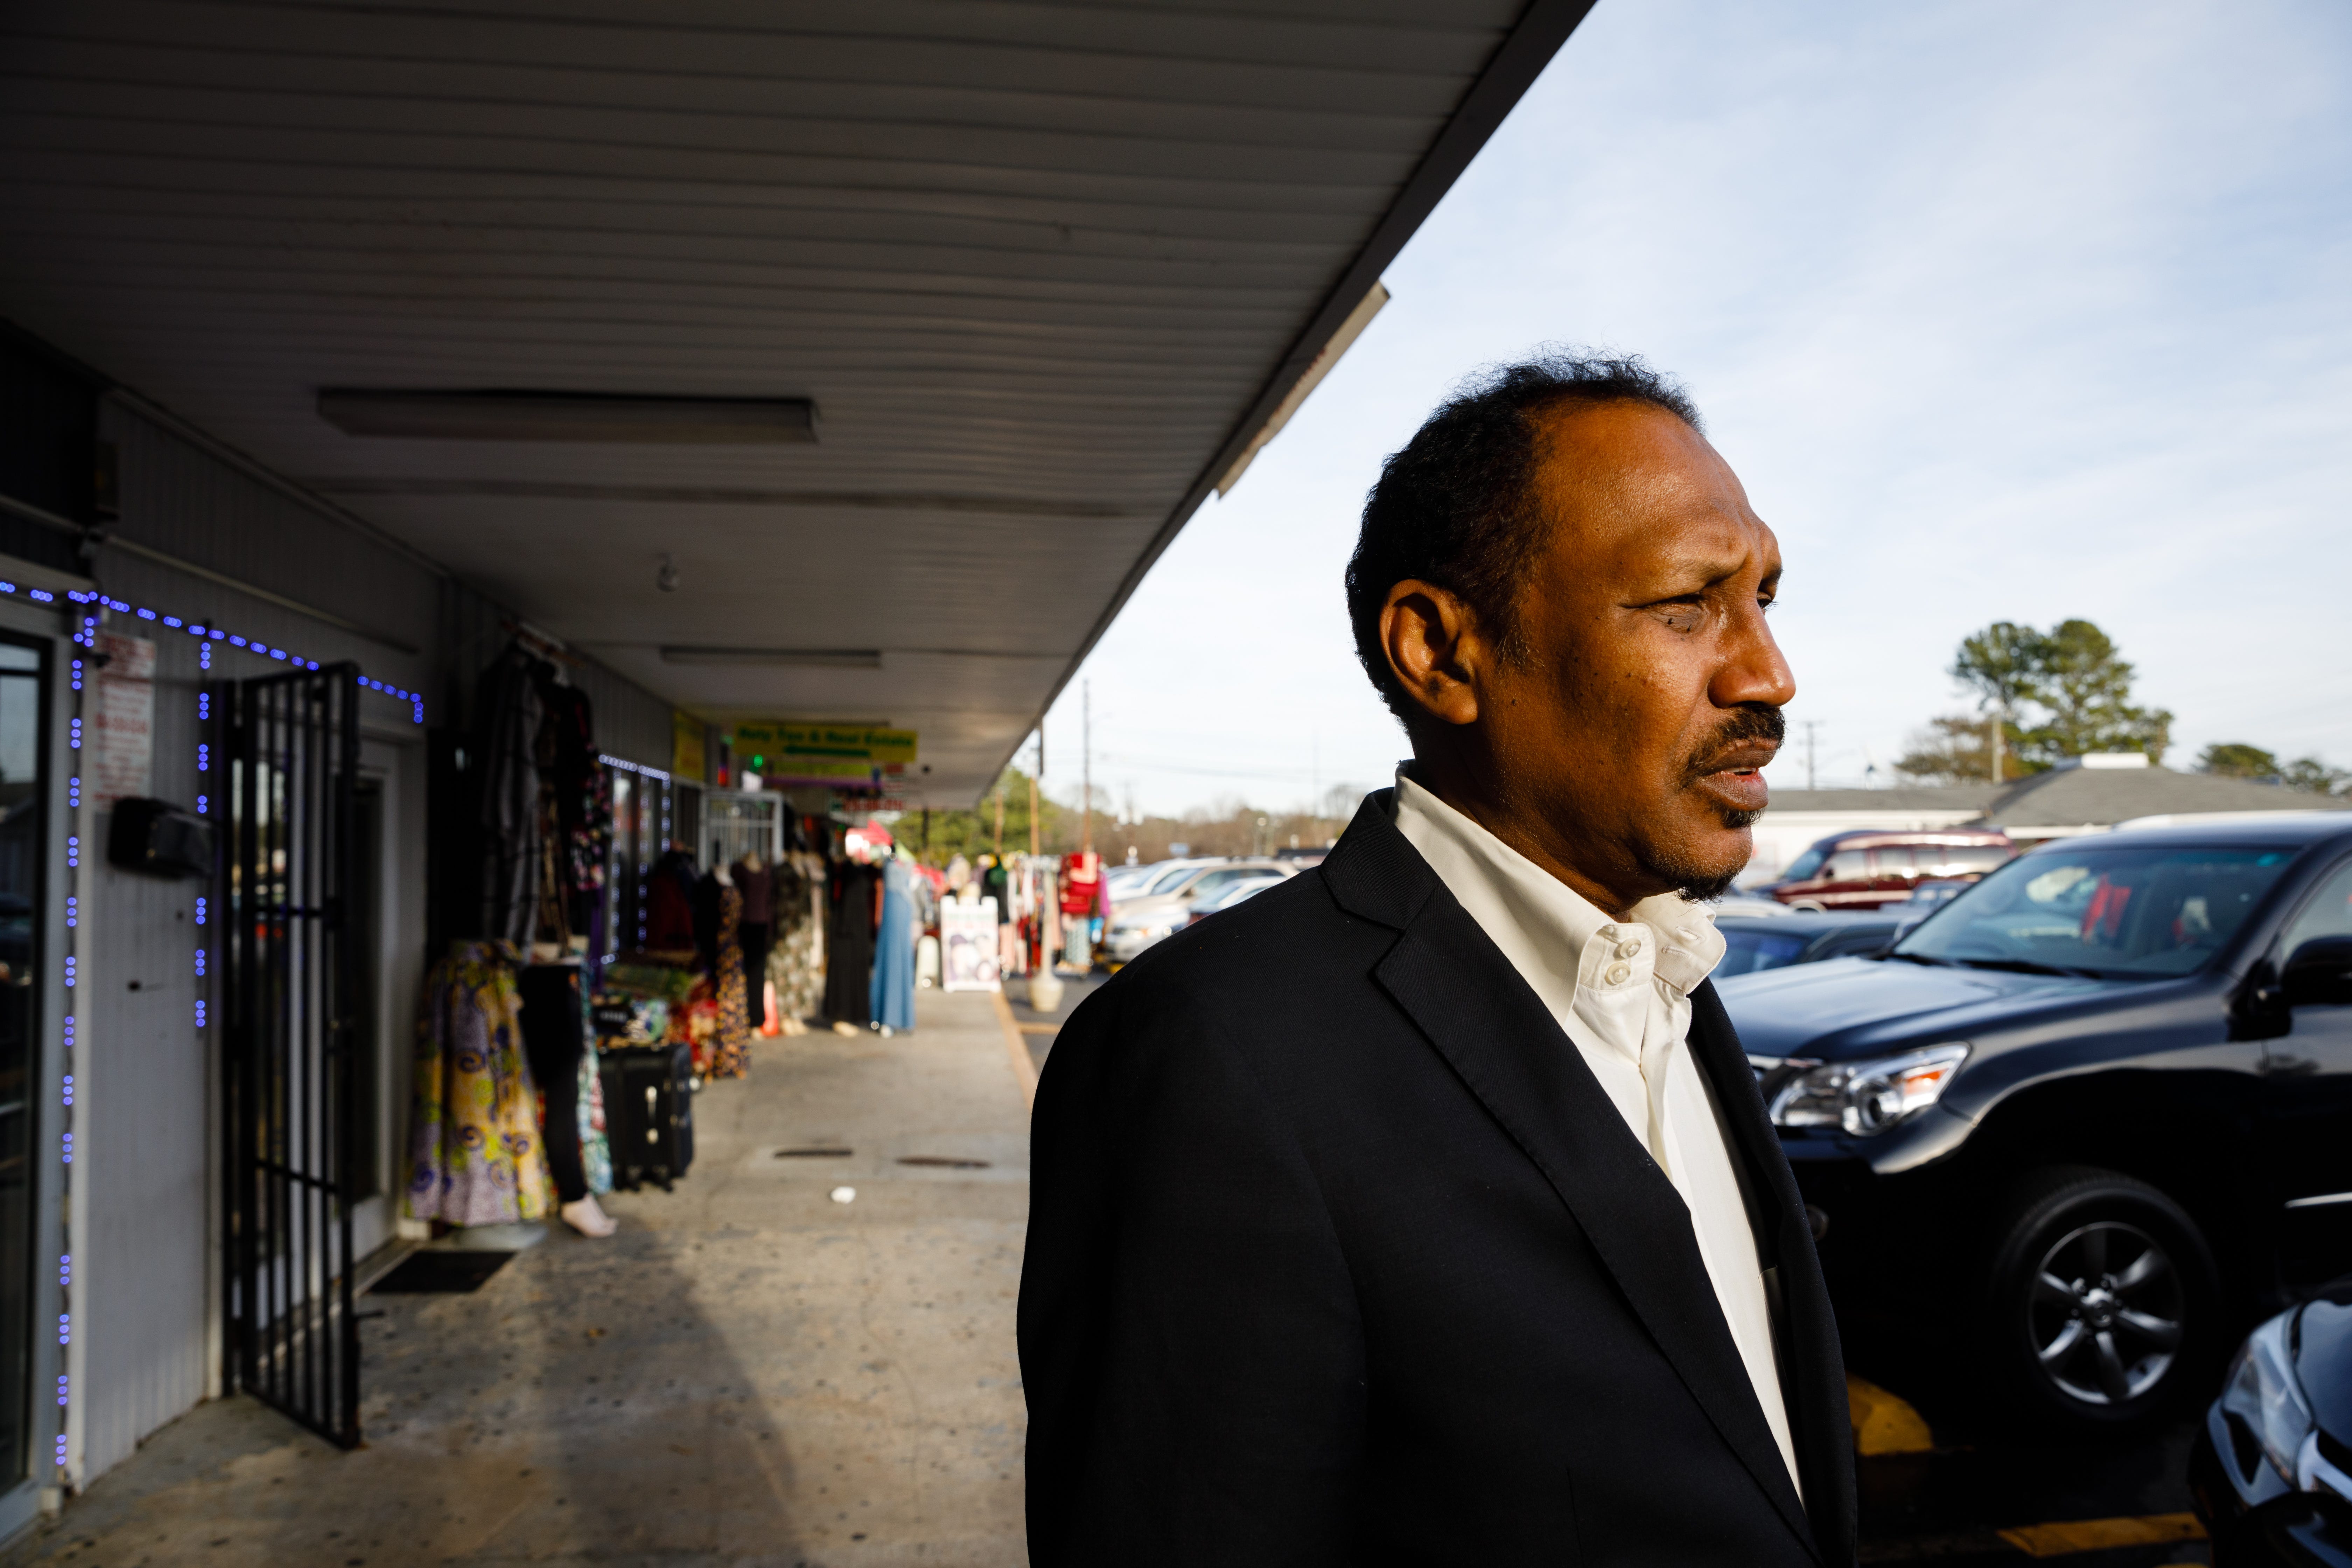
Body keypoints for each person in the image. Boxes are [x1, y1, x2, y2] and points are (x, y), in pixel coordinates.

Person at [1019, 354, 1854, 1565]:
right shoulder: (1215, 1057)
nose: (1767, 671)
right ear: (1443, 652)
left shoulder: (1672, 979)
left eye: (1767, 599)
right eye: (1688, 603)